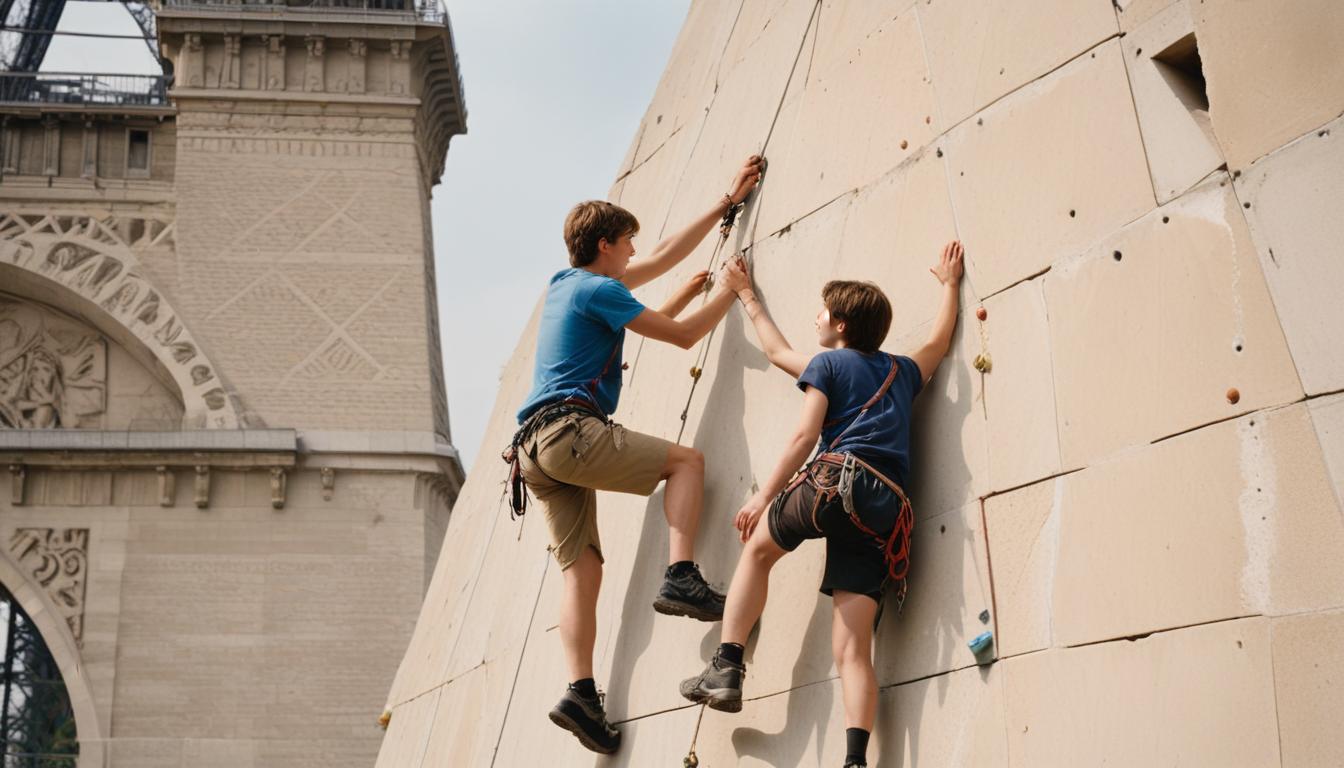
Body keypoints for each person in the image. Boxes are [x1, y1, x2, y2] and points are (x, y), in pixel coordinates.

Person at [505, 156, 764, 755]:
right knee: (687, 463)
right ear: (605, 244)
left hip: (532, 455)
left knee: (582, 571)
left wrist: (725, 202)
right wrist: (729, 291)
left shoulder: (567, 287)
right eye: (626, 244)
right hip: (570, 432)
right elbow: (679, 336)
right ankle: (681, 577)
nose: (632, 254)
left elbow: (666, 258)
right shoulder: (602, 287)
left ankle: (580, 693)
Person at [678, 240, 965, 768]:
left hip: (834, 482)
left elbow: (803, 429)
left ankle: (727, 665)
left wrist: (764, 496)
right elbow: (940, 342)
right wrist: (950, 285)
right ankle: (856, 760)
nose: (817, 317)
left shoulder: (829, 365)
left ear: (840, 325)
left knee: (759, 552)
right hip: (883, 511)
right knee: (854, 648)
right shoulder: (901, 372)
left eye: (822, 311)